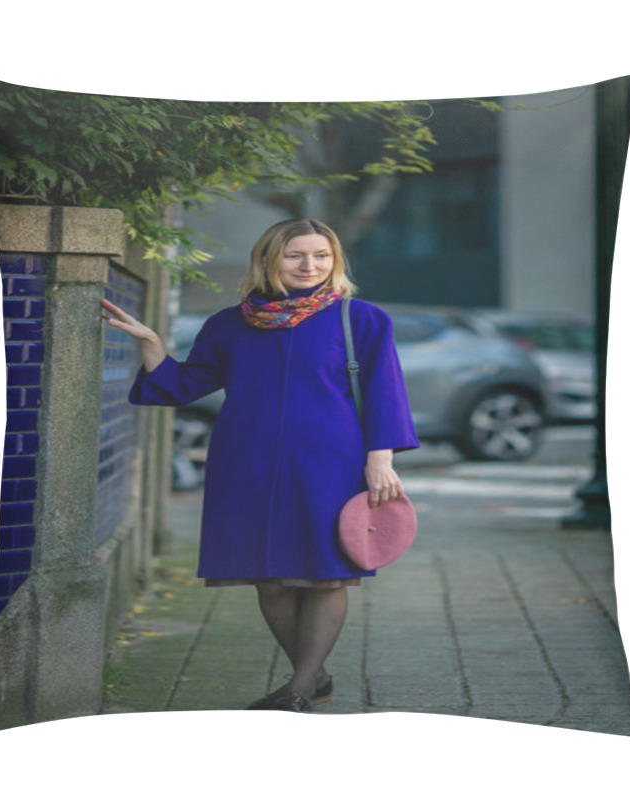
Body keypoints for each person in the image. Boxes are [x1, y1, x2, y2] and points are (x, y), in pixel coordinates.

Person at [101, 218, 419, 712]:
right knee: (269, 576)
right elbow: (185, 385)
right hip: (245, 461)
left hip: (329, 464)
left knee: (325, 575)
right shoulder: (229, 324)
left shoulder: (361, 319)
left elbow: (385, 392)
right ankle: (315, 677)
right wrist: (152, 348)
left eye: (321, 256)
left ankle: (298, 688)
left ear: (335, 262)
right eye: (295, 255)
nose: (309, 266)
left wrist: (381, 460)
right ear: (268, 260)